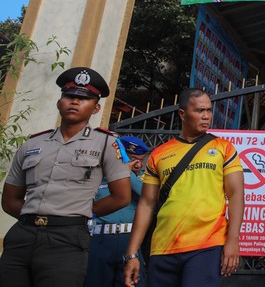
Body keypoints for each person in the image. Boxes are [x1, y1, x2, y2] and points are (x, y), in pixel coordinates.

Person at [0, 67, 131, 287]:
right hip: (22, 236)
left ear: (96, 108)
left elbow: (121, 197)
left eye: (84, 98)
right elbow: (10, 199)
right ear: (59, 102)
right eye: (69, 96)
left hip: (67, 239)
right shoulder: (32, 144)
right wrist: (33, 217)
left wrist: (78, 214)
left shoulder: (107, 144)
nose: (75, 102)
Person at [122, 88, 245, 287]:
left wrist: (233, 240)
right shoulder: (159, 154)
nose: (206, 116)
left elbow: (236, 194)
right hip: (162, 248)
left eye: (209, 110)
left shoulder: (224, 148)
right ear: (182, 114)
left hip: (207, 245)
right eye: (199, 111)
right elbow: (146, 204)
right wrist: (132, 253)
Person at [85, 135, 152, 287]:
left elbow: (148, 197)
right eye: (133, 159)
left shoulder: (140, 180)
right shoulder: (98, 178)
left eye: (141, 160)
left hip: (129, 240)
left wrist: (126, 173)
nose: (138, 164)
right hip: (99, 239)